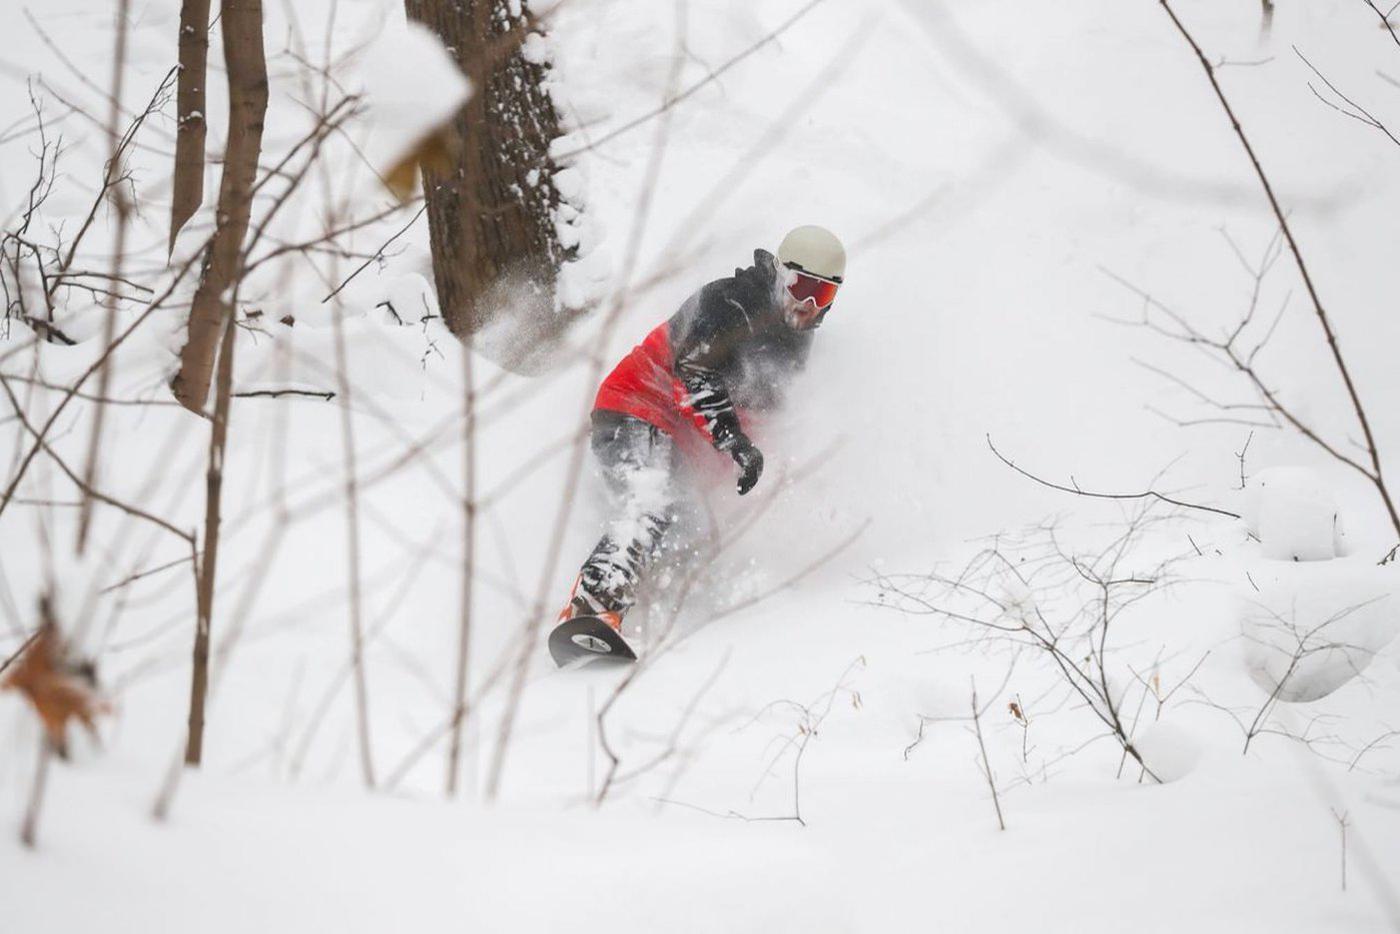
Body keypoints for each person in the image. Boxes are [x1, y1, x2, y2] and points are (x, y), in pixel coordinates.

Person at [555, 225, 846, 649]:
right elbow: (692, 374)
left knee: (692, 532)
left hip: (681, 444)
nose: (805, 303)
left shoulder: (795, 349)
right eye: (800, 285)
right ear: (781, 273)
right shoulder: (731, 301)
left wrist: (750, 467)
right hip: (636, 406)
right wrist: (734, 443)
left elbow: (761, 413)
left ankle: (670, 629)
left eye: (820, 296)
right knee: (653, 499)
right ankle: (591, 609)